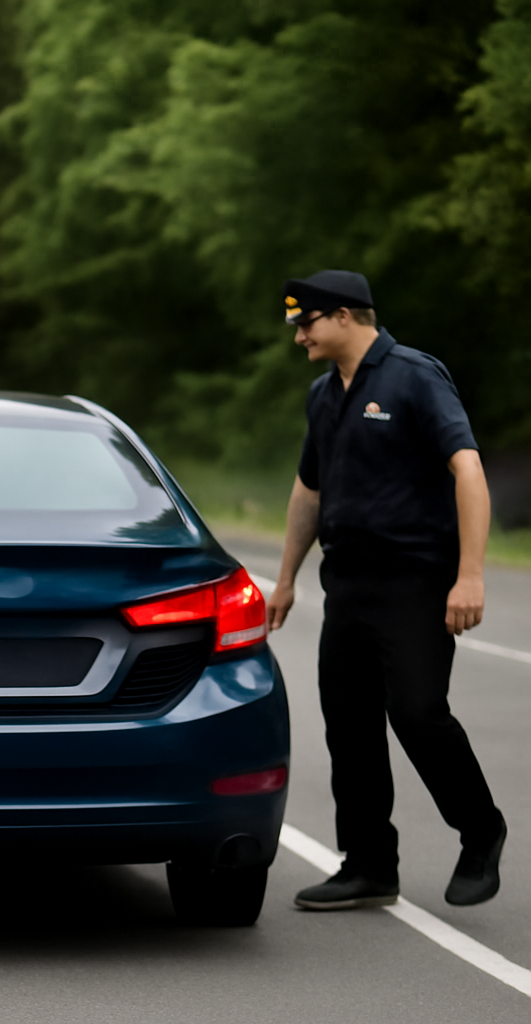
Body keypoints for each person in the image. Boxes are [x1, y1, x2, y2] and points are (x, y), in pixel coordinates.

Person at [267, 269, 506, 910]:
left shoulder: (414, 376)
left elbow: (468, 469)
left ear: (345, 316)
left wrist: (470, 574)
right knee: (350, 726)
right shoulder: (323, 394)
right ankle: (369, 864)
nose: (299, 337)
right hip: (347, 584)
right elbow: (309, 491)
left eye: (306, 323)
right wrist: (286, 579)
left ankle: (481, 831)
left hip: (415, 580)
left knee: (418, 713)